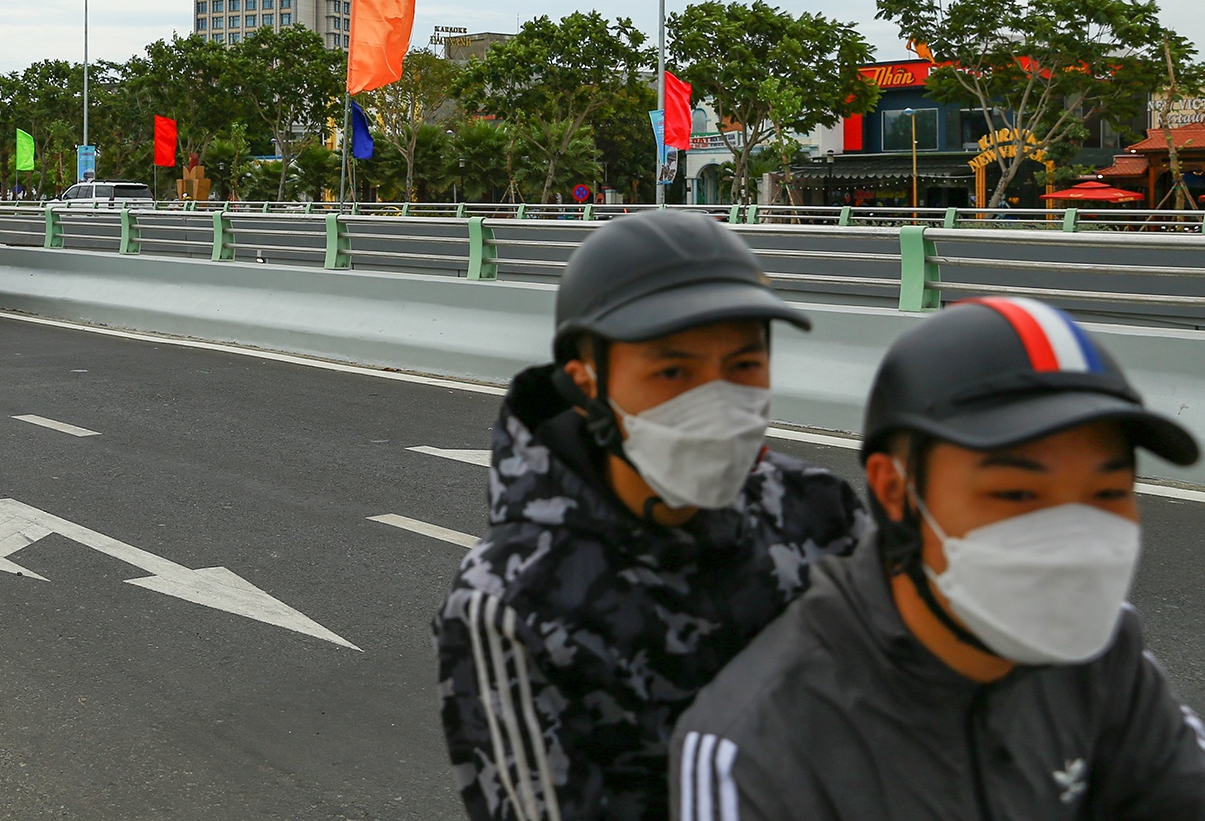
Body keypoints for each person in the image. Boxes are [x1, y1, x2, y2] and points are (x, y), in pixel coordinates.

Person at [671, 296, 1205, 819]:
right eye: (1016, 495)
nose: (1075, 545)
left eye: (1108, 494)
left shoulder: (1103, 650)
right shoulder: (762, 743)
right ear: (893, 488)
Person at [434, 210, 866, 821]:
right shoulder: (510, 602)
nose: (716, 401)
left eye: (744, 366)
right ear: (587, 388)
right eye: (673, 372)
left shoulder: (815, 506)